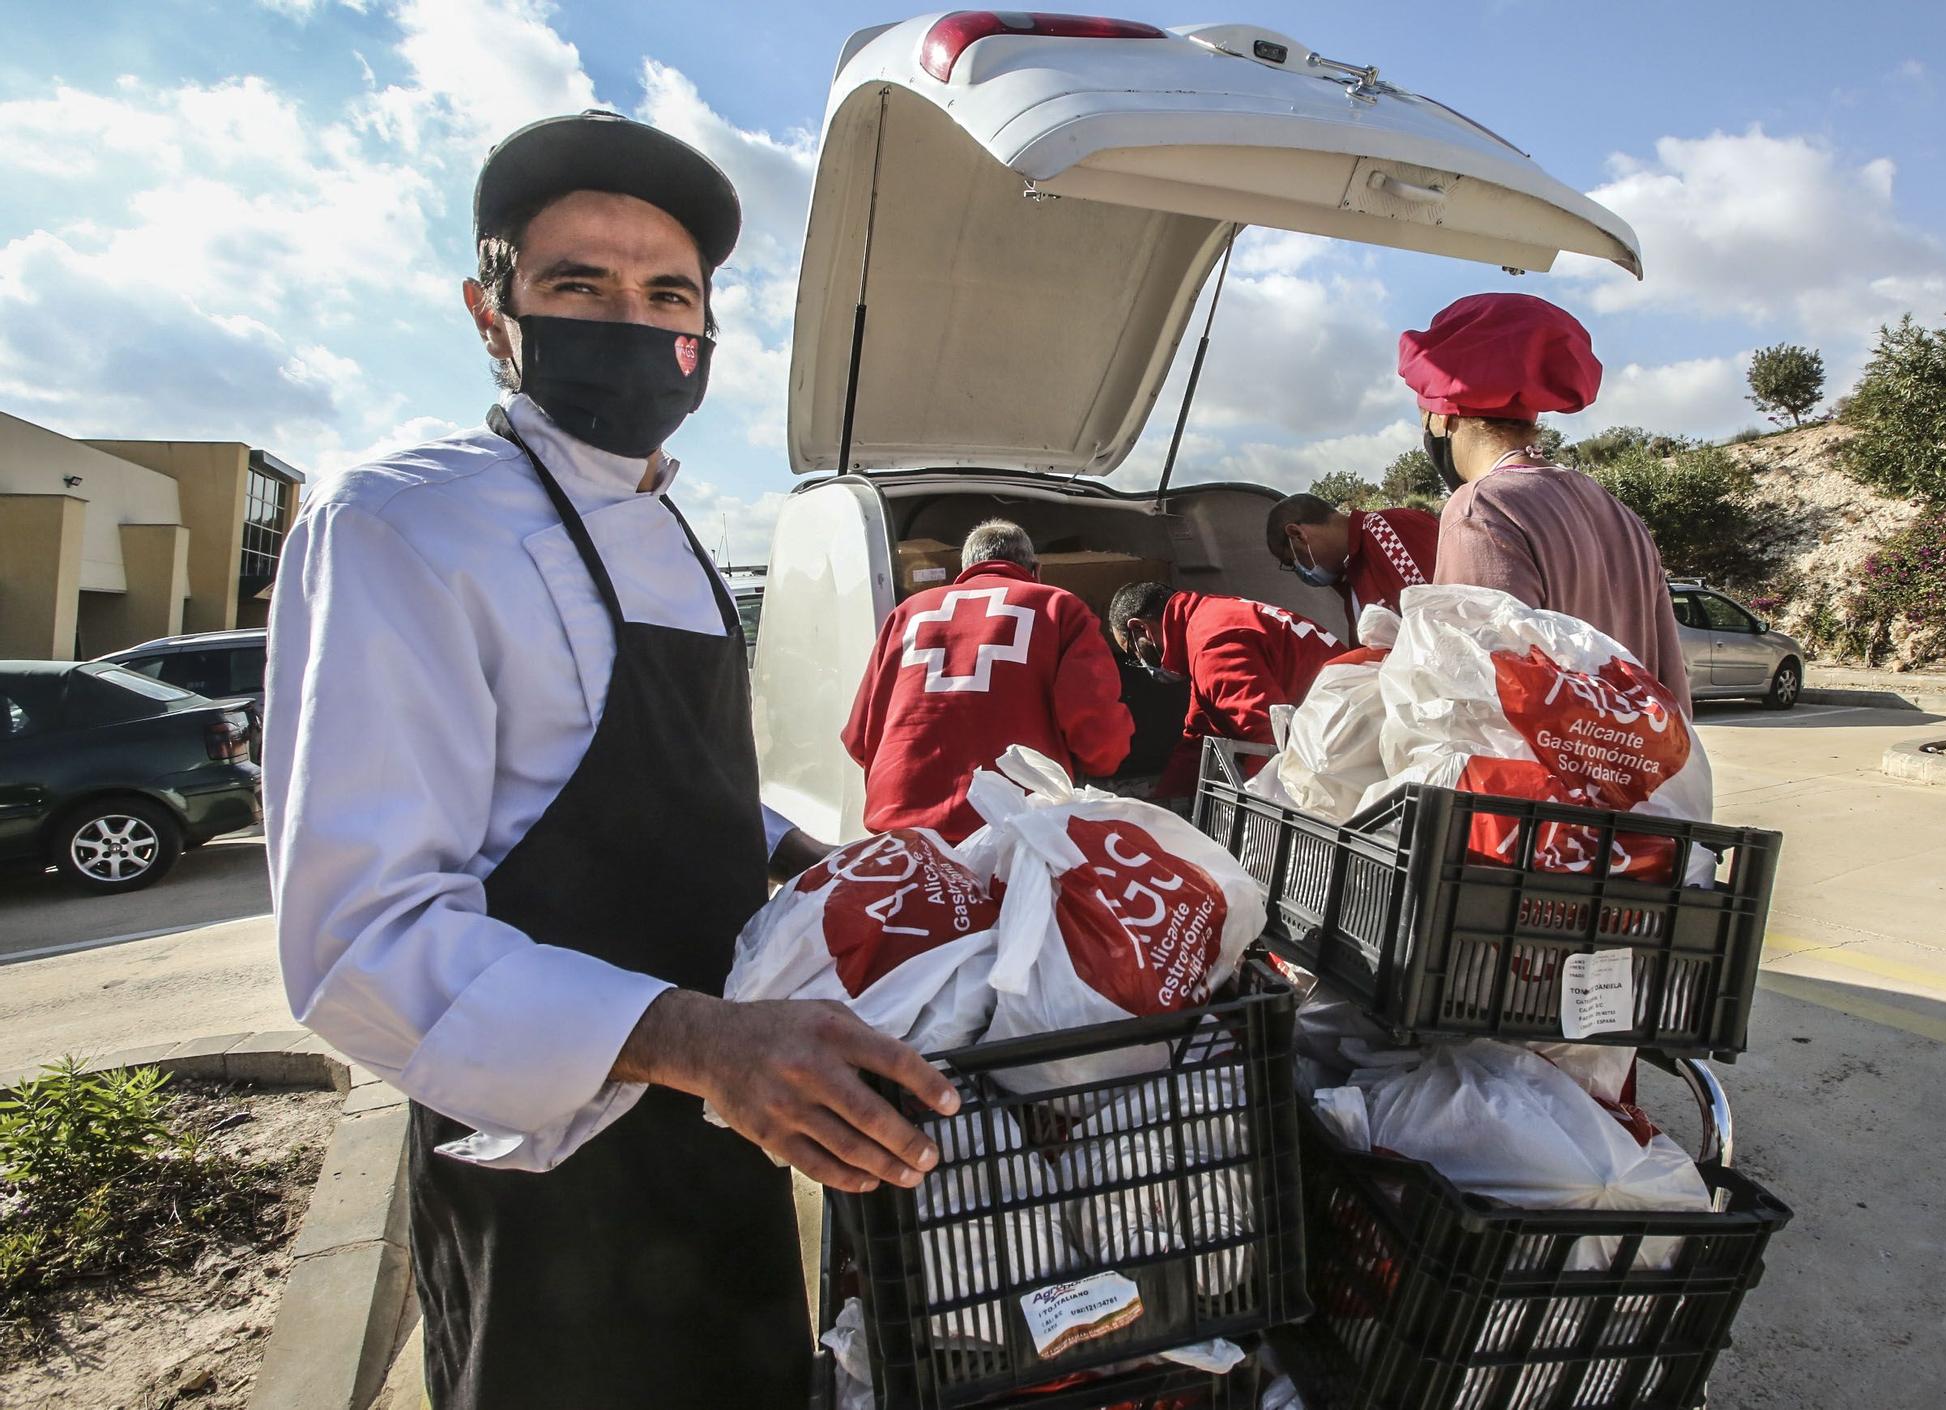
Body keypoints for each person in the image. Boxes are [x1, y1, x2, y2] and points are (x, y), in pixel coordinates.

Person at [262, 112, 959, 1410]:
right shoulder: (403, 522)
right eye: (578, 285)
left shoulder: (671, 525)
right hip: (543, 1170)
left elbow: (671, 782)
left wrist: (822, 865)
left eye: (667, 293)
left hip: (733, 1120)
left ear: (704, 334)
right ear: (492, 312)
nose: (631, 323)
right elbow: (359, 937)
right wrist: (700, 1039)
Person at [1398, 292, 1693, 713]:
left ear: (1443, 416)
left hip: (1542, 779)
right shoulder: (1616, 512)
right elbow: (1672, 692)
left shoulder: (1481, 511)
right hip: (1636, 776)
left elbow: (1477, 706)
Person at [842, 520, 1132, 841]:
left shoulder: (907, 613)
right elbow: (1096, 728)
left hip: (903, 828)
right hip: (1010, 829)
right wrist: (1103, 763)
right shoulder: (1058, 607)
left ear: (964, 569)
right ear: (1035, 570)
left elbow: (859, 738)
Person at [1107, 581, 1343, 801]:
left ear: (1140, 629)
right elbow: (1199, 737)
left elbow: (1268, 739)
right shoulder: (1208, 619)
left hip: (1342, 737)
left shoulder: (1212, 648)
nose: (1140, 662)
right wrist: (1161, 805)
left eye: (1133, 654)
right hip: (1345, 708)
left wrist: (1262, 815)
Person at [1264, 492, 1438, 636]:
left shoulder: (1386, 532)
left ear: (1298, 534)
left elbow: (1440, 615)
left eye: (1293, 561)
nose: (1301, 572)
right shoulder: (1352, 578)